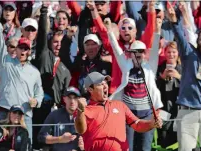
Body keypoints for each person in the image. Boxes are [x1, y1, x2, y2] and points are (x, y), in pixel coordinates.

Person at [167, 5, 201, 151]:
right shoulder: (188, 53)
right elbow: (179, 35)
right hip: (187, 112)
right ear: (197, 41)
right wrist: (174, 21)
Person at [106, 17, 163, 151]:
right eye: (134, 52)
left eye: (141, 52)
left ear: (144, 54)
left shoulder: (150, 66)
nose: (138, 54)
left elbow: (154, 48)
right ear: (130, 54)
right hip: (129, 114)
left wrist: (158, 30)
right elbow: (116, 48)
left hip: (148, 113)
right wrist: (109, 30)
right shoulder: (125, 65)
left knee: (145, 148)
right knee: (127, 148)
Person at [74, 72, 163, 151]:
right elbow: (80, 130)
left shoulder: (119, 105)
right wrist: (80, 111)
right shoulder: (84, 110)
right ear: (90, 89)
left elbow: (137, 124)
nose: (105, 86)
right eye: (101, 84)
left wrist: (151, 124)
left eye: (106, 83)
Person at [0, 19, 44, 144]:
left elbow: (39, 93)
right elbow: (0, 43)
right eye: (20, 48)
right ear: (16, 49)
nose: (23, 51)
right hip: (5, 112)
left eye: (26, 49)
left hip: (25, 116)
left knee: (26, 146)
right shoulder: (5, 62)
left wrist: (36, 101)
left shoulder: (35, 71)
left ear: (29, 51)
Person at [32, 3, 71, 149]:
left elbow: (65, 93)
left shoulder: (65, 69)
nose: (58, 45)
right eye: (55, 42)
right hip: (39, 107)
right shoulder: (43, 55)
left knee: (52, 144)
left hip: (55, 111)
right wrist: (44, 11)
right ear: (49, 43)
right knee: (37, 141)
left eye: (61, 43)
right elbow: (42, 32)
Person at [38, 86, 84, 151]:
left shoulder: (84, 116)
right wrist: (60, 139)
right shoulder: (55, 114)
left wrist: (82, 147)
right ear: (64, 99)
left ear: (79, 99)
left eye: (75, 98)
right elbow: (42, 137)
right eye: (69, 98)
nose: (72, 101)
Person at [156, 41, 181, 147]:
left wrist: (179, 77)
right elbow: (153, 89)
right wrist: (161, 78)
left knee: (178, 138)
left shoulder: (183, 68)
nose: (171, 55)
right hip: (163, 108)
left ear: (178, 53)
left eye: (174, 52)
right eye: (169, 52)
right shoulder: (159, 68)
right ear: (164, 53)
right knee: (164, 138)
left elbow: (190, 88)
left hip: (179, 110)